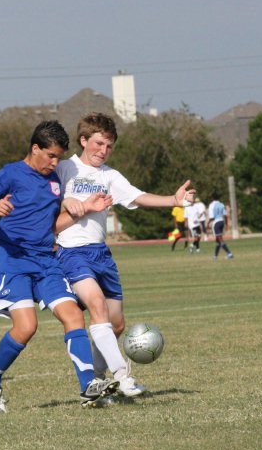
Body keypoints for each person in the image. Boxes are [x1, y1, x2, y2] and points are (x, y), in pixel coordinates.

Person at [0, 120, 118, 413]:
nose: (54, 163)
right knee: (26, 327)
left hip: (47, 261)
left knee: (73, 315)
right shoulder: (12, 173)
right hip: (14, 260)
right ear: (35, 148)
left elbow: (53, 224)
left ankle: (88, 385)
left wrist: (85, 209)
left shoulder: (54, 182)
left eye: (58, 157)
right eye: (50, 156)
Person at [54, 113, 194, 398]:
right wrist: (68, 201)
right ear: (83, 140)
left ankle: (97, 378)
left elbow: (137, 196)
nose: (103, 150)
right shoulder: (65, 168)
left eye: (109, 146)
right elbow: (46, 198)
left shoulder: (110, 176)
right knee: (97, 306)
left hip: (101, 254)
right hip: (71, 252)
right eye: (99, 143)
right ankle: (123, 376)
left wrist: (174, 200)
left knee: (116, 324)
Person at [207, 193, 234, 259]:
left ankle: (229, 254)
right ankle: (215, 256)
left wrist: (207, 224)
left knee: (220, 239)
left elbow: (212, 217)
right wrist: (226, 224)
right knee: (218, 240)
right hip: (221, 222)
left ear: (212, 198)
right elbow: (225, 215)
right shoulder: (221, 204)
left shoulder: (211, 205)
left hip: (216, 223)